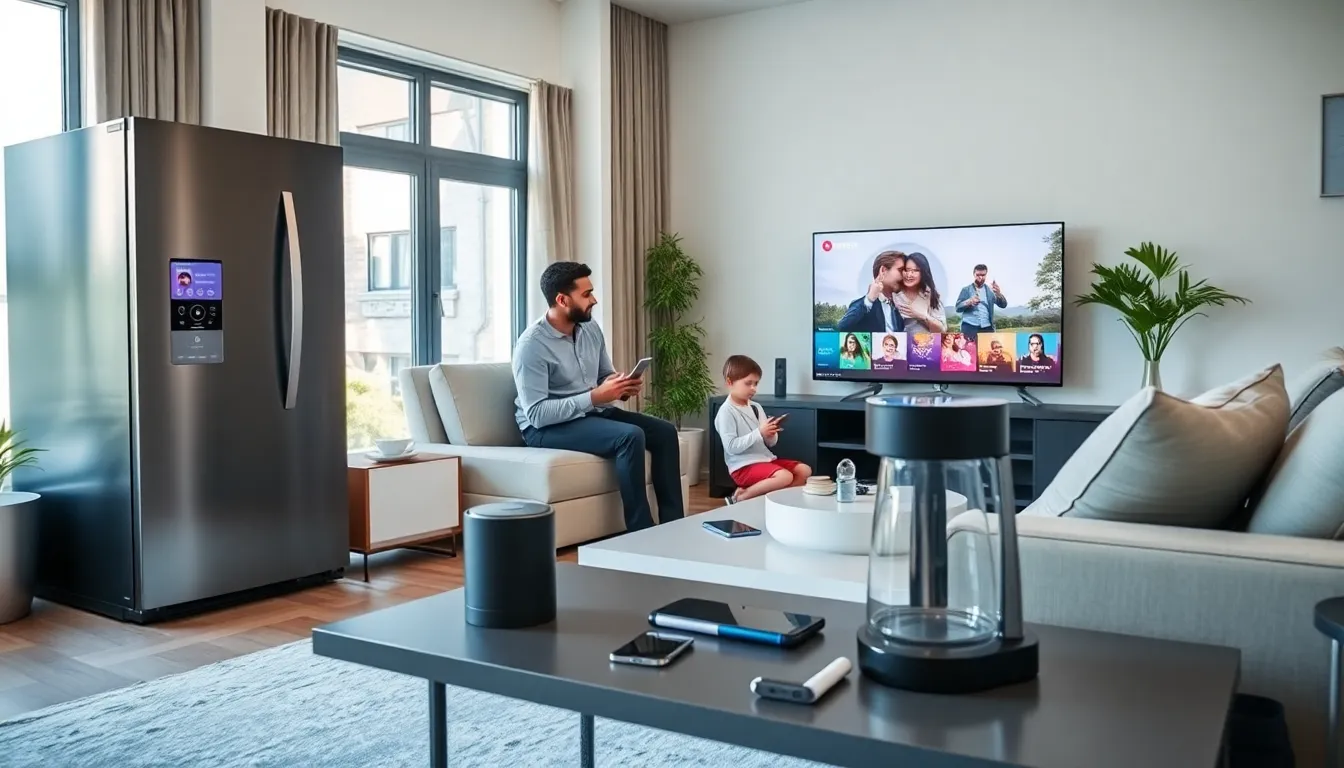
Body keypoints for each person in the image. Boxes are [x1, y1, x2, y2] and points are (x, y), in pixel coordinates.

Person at [512, 261, 684, 532]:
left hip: (590, 413)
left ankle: (674, 527)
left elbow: (604, 374)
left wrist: (619, 386)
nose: (594, 300)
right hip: (544, 428)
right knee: (630, 436)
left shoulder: (590, 329)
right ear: (562, 299)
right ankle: (641, 533)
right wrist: (595, 397)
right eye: (586, 294)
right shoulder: (531, 346)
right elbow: (536, 414)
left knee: (663, 432)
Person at [714, 355, 812, 504]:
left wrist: (770, 433)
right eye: (748, 383)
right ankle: (740, 497)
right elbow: (731, 447)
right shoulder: (726, 412)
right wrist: (759, 432)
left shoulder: (755, 407)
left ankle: (778, 501)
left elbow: (770, 443)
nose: (753, 388)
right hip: (742, 467)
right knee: (784, 476)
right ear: (730, 382)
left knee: (804, 470)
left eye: (756, 383)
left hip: (765, 460)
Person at [836, 251, 907, 332]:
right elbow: (841, 328)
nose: (905, 276)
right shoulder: (864, 305)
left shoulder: (898, 309)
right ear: (883, 270)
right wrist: (869, 299)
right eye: (901, 270)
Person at [893, 252, 947, 333]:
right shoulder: (894, 294)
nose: (909, 275)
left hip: (924, 343)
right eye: (907, 270)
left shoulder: (930, 296)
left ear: (923, 273)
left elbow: (942, 331)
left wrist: (924, 316)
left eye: (915, 271)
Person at [955, 264, 1007, 342]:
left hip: (987, 328)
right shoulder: (966, 290)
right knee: (970, 352)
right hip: (969, 328)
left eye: (983, 275)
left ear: (986, 275)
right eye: (978, 275)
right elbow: (958, 308)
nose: (980, 277)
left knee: (986, 351)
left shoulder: (990, 291)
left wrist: (999, 294)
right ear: (974, 274)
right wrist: (969, 301)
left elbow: (1003, 305)